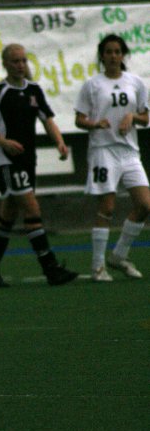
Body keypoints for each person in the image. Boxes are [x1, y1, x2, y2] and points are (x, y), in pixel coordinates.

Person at [0, 43, 78, 287]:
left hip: (28, 159)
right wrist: (4, 142)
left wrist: (60, 143)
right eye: (15, 61)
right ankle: (50, 268)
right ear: (5, 64)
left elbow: (47, 119)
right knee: (32, 210)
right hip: (7, 160)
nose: (20, 65)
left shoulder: (34, 90)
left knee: (9, 213)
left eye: (23, 61)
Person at [75, 34, 150, 282]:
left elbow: (145, 117)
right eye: (108, 52)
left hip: (129, 151)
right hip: (103, 150)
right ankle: (98, 266)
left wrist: (133, 117)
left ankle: (119, 255)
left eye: (117, 51)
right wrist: (95, 124)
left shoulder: (135, 82)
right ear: (102, 56)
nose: (113, 56)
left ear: (123, 55)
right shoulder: (93, 85)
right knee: (106, 206)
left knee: (145, 205)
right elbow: (79, 119)